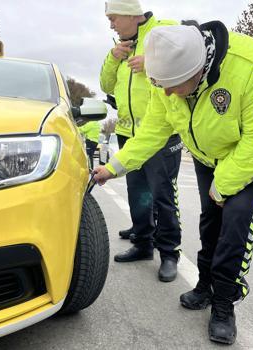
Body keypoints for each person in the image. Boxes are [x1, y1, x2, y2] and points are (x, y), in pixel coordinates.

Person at [93, 22, 253, 344]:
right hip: (212, 155)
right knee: (210, 221)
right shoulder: (165, 75)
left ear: (199, 71)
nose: (165, 93)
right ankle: (205, 285)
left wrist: (221, 187)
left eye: (172, 85)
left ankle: (224, 303)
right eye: (159, 84)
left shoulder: (250, 66)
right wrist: (113, 167)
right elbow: (153, 131)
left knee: (235, 220)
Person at [100, 0, 183, 282]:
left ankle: (170, 253)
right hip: (129, 134)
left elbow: (186, 57)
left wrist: (153, 63)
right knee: (138, 192)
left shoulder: (163, 31)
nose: (110, 24)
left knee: (163, 195)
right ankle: (143, 244)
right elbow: (105, 86)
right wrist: (113, 57)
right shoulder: (120, 46)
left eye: (114, 18)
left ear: (131, 15)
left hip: (161, 133)